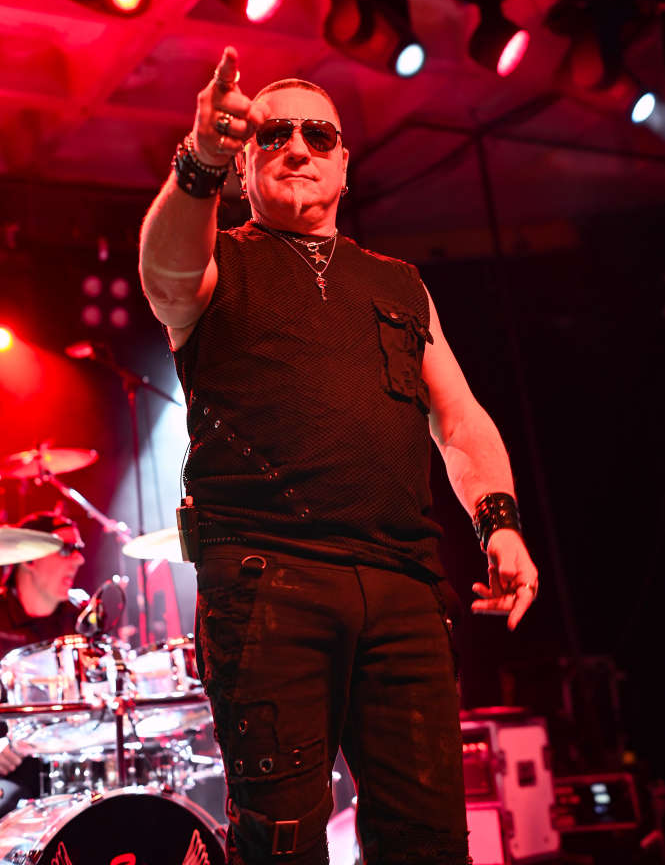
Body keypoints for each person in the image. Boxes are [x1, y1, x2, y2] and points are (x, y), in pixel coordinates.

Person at [139, 45, 539, 865]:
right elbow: (167, 271)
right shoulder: (219, 261)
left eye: (317, 136)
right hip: (268, 578)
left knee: (429, 842)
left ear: (345, 165)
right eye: (273, 134)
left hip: (403, 588)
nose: (297, 147)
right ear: (245, 163)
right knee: (282, 843)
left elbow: (458, 419)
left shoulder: (398, 283)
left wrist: (497, 522)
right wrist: (200, 157)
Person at [0, 511, 86, 813]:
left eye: (79, 549)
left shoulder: (82, 619)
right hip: (9, 774)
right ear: (28, 558)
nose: (79, 560)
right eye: (66, 549)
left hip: (73, 767)